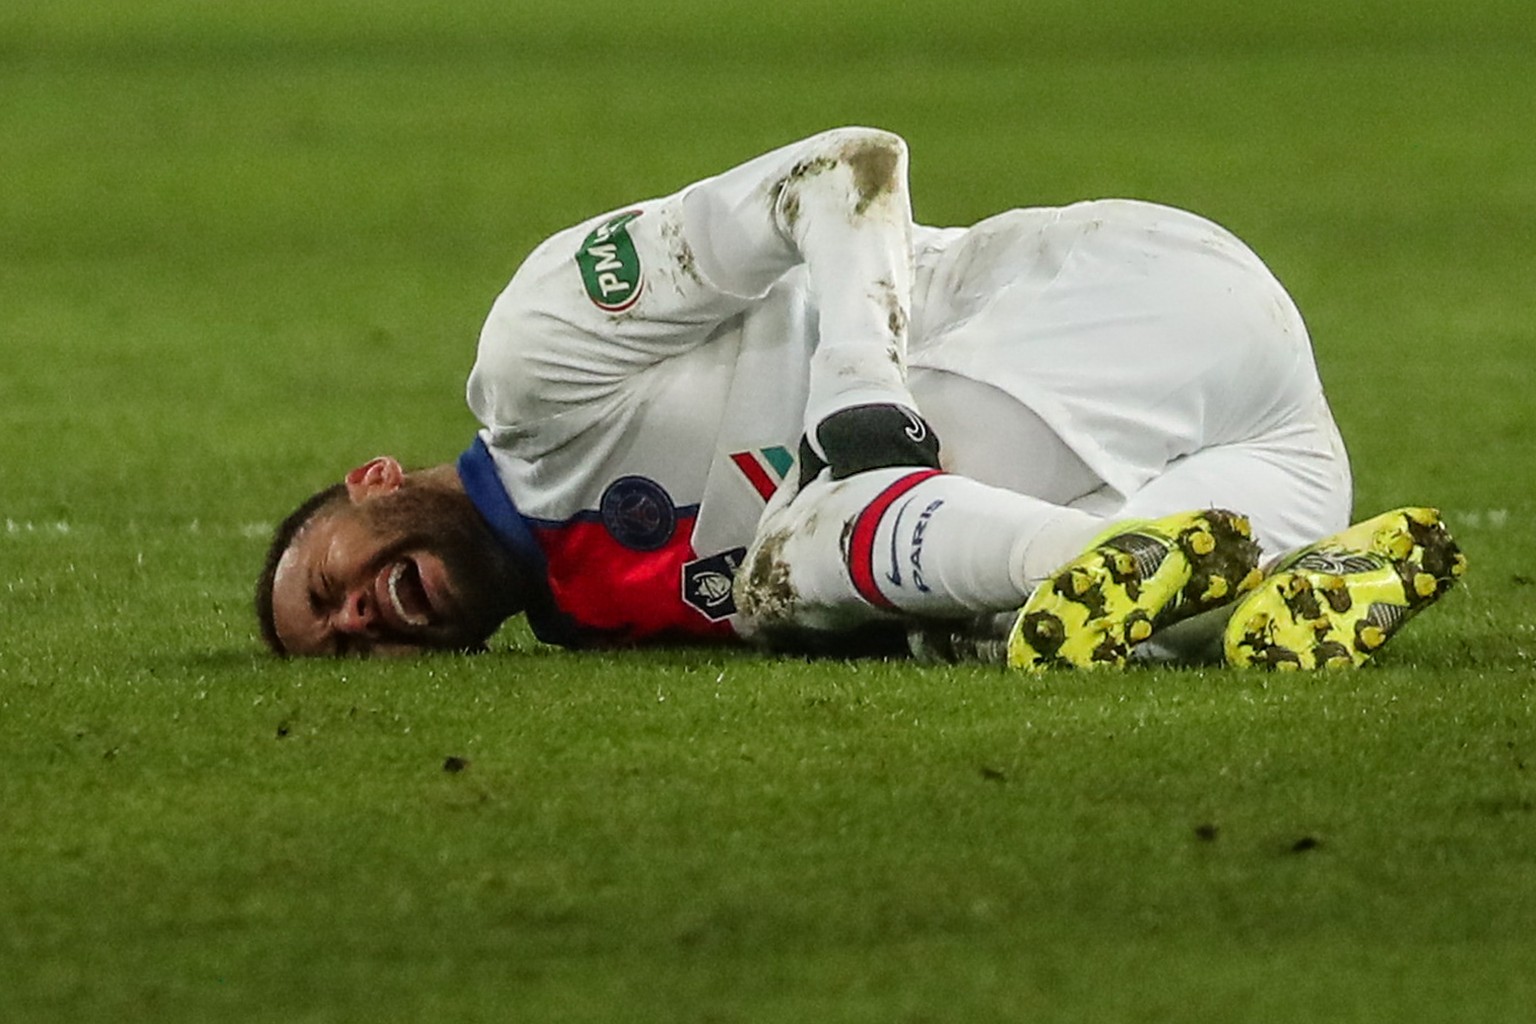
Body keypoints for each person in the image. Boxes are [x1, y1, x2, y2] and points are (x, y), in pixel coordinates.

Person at [255, 127, 1465, 667]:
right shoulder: (595, 612)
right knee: (1054, 625)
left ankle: (1103, 556)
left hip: (1101, 304)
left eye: (328, 579)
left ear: (373, 482)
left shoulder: (535, 362)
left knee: (805, 544)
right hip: (1271, 440)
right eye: (340, 645)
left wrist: (859, 394)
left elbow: (844, 167)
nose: (357, 615)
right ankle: (1301, 580)